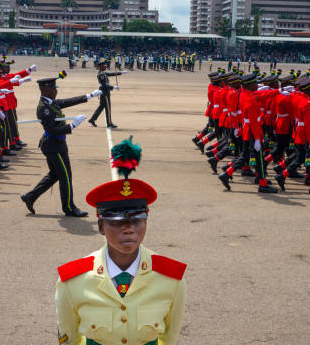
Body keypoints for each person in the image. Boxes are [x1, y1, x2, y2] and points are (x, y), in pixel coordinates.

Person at [55, 138, 187, 345]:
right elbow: (69, 339)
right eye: (117, 222)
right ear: (101, 227)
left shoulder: (170, 278)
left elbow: (169, 337)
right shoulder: (73, 280)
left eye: (137, 220)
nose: (129, 228)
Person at [20, 74, 102, 217]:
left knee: (54, 175)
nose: (55, 91)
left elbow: (67, 101)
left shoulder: (51, 102)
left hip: (56, 144)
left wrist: (89, 96)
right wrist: (72, 125)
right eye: (53, 88)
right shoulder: (44, 108)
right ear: (45, 90)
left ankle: (30, 196)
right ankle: (69, 208)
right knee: (65, 176)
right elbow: (51, 129)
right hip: (53, 146)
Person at [88, 61, 124, 128]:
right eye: (104, 66)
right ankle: (109, 123)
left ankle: (92, 119)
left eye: (105, 66)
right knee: (108, 108)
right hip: (104, 93)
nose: (105, 67)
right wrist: (113, 87)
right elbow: (104, 85)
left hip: (104, 92)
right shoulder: (101, 75)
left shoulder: (103, 73)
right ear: (100, 67)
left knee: (101, 107)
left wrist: (120, 73)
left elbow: (111, 74)